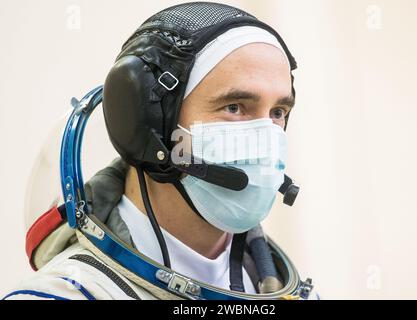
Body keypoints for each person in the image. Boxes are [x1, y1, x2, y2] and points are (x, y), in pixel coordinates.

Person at [4, 1, 318, 300]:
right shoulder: (61, 295)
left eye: (278, 112)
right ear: (148, 123)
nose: (266, 136)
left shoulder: (285, 289)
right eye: (234, 107)